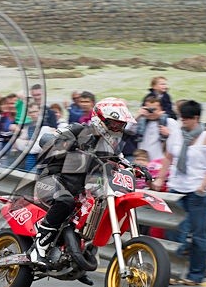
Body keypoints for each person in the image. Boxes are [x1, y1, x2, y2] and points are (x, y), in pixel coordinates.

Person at [29, 97, 137, 264]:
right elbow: (45, 139)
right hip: (51, 179)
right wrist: (61, 145)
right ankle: (39, 246)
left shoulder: (110, 145)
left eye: (120, 124)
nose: (117, 128)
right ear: (100, 119)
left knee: (97, 206)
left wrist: (137, 169)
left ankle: (79, 251)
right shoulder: (78, 130)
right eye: (114, 123)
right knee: (66, 201)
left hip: (78, 188)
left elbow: (121, 160)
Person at [152, 100, 206, 285]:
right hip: (177, 188)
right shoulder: (176, 134)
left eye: (187, 119)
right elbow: (168, 156)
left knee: (198, 233)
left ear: (196, 118)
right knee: (173, 232)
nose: (183, 122)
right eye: (181, 118)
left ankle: (196, 275)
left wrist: (203, 186)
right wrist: (160, 178)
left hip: (197, 190)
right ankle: (173, 272)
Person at [134, 93, 181, 161]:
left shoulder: (170, 122)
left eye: (154, 109)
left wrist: (169, 134)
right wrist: (138, 115)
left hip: (161, 162)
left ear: (161, 109)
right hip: (143, 161)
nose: (151, 112)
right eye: (149, 110)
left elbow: (178, 143)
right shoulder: (140, 122)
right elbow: (126, 130)